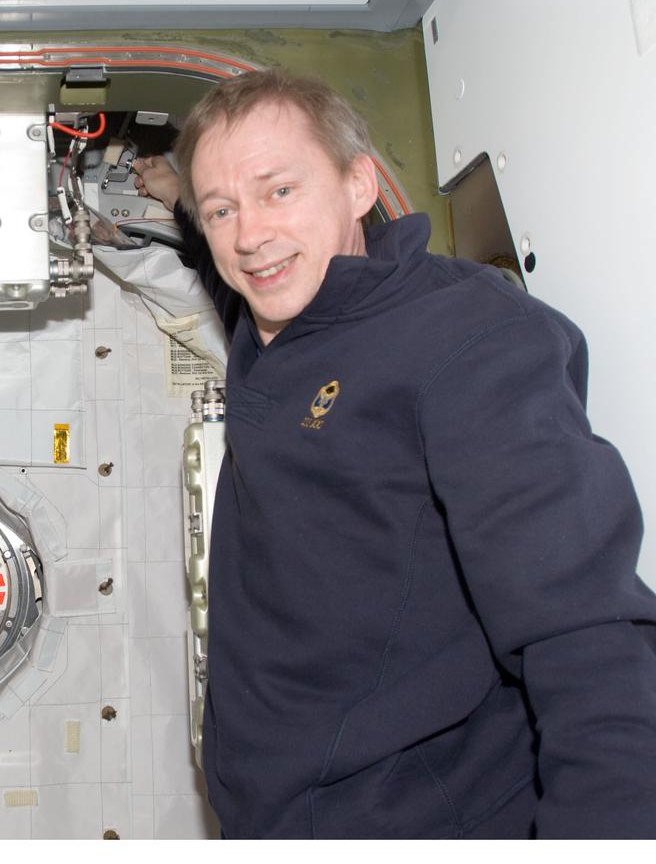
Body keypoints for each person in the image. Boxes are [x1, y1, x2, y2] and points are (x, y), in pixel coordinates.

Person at [149, 68, 656, 838]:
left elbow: (583, 629)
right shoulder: (276, 314)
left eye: (279, 190)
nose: (250, 236)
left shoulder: (468, 340)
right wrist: (164, 200)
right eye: (222, 209)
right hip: (272, 814)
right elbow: (231, 266)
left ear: (359, 185)